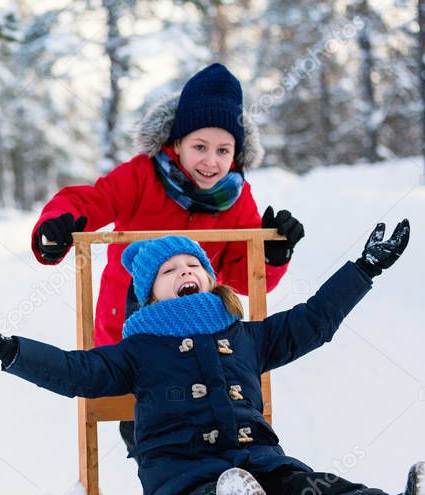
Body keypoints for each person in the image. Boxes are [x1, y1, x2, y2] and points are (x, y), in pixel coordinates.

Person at [0, 221, 425, 495]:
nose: (185, 271)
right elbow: (76, 372)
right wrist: (6, 349)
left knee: (320, 489)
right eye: (169, 270)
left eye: (193, 265)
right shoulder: (136, 349)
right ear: (149, 293)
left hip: (264, 467)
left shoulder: (245, 334)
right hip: (183, 482)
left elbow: (314, 322)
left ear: (209, 278)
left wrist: (364, 268)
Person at [30, 63, 305, 451]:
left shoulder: (235, 197)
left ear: (237, 153)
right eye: (199, 147)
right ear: (175, 144)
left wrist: (273, 255)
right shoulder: (141, 175)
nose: (211, 161)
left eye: (223, 150)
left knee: (211, 416)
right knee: (146, 423)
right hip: (130, 326)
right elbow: (91, 201)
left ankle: (228, 486)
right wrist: (56, 227)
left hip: (201, 336)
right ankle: (170, 489)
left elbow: (244, 277)